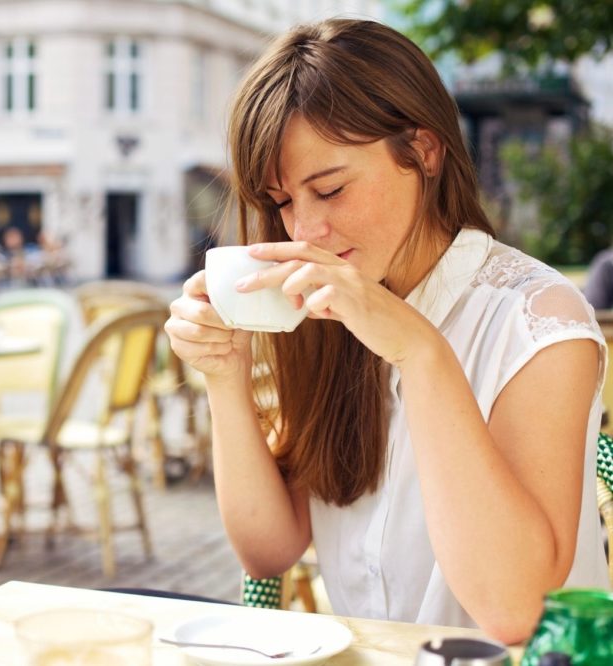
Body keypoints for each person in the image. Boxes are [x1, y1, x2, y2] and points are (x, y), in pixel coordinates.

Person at [164, 18, 609, 644]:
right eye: (283, 203)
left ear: (423, 151)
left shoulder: (537, 323)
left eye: (330, 189)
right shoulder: (324, 315)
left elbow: (515, 612)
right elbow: (268, 551)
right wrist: (225, 375)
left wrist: (421, 354)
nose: (305, 231)